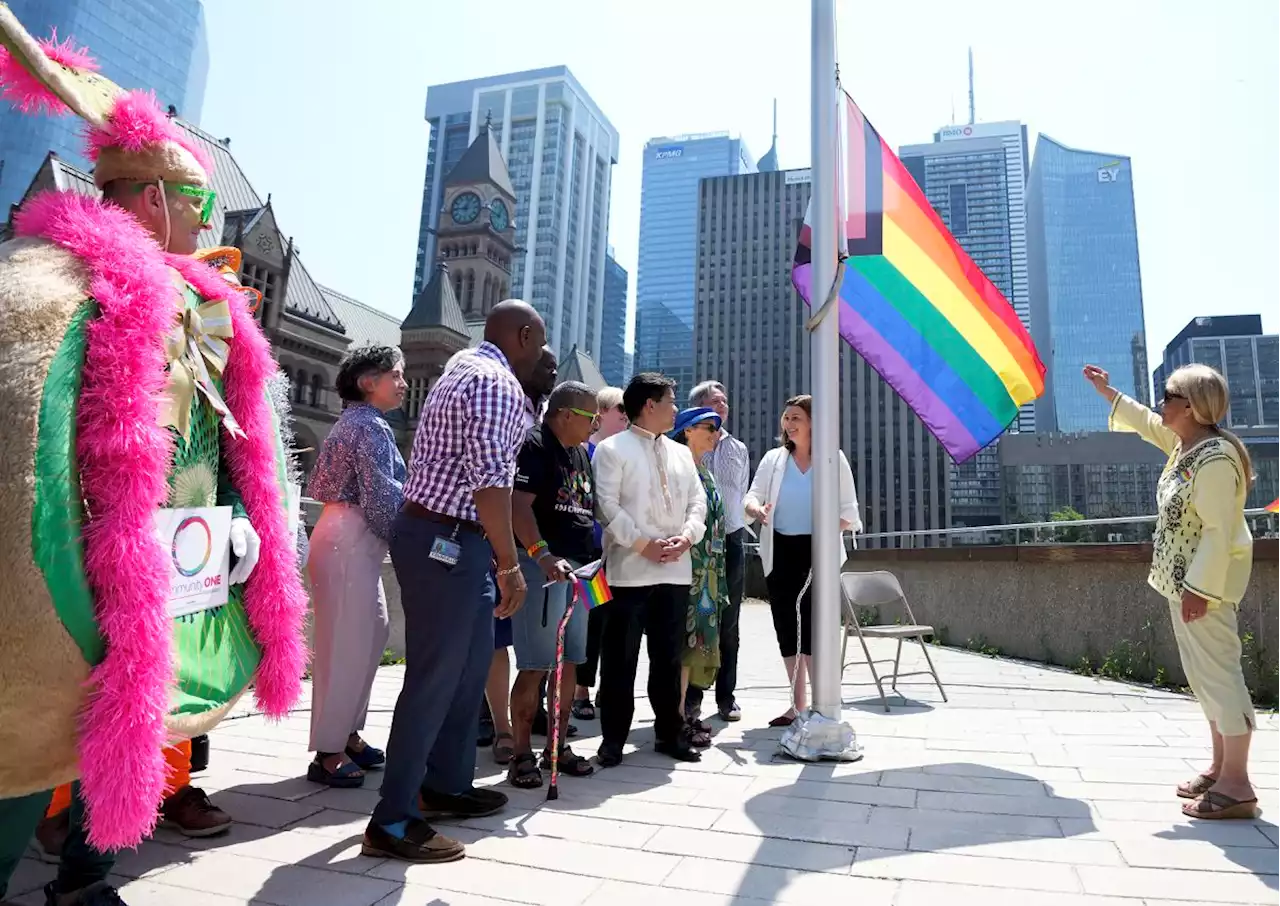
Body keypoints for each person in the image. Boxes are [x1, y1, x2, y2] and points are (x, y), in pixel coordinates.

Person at [0, 19, 307, 904]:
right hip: (75, 563)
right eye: (195, 208)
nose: (204, 225)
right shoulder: (51, 282)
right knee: (33, 736)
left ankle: (88, 880)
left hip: (173, 565)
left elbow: (223, 438)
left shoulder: (201, 303)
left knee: (128, 728)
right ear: (149, 202)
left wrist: (244, 530)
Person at [365, 300, 546, 864]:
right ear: (522, 335)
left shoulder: (462, 367)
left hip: (454, 540)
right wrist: (509, 563)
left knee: (469, 670)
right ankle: (393, 818)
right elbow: (491, 485)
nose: (540, 356)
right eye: (539, 345)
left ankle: (445, 783)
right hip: (447, 539)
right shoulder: (495, 382)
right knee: (436, 677)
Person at [1086, 363, 1258, 820]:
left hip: (1207, 590)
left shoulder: (1216, 457)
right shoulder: (1185, 448)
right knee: (1204, 678)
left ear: (1189, 405)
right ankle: (1221, 767)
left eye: (1168, 395)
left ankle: (1238, 784)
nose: (1161, 402)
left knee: (1220, 676)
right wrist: (1108, 394)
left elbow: (1220, 532)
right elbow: (1145, 422)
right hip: (1181, 586)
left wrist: (1199, 590)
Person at [305, 346, 408, 787]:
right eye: (396, 376)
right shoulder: (369, 427)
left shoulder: (358, 423)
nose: (403, 384)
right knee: (349, 646)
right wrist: (413, 542)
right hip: (351, 537)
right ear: (370, 382)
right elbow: (383, 498)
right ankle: (328, 751)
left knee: (371, 635)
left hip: (347, 535)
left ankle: (347, 734)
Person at [593, 373, 707, 766]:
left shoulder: (679, 453)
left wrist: (687, 537)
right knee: (619, 661)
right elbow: (606, 506)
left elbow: (699, 502)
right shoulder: (611, 450)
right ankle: (612, 741)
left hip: (676, 571)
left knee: (668, 660)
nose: (675, 408)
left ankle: (668, 734)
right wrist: (644, 544)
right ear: (649, 405)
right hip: (628, 572)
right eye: (670, 401)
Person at [744, 395, 861, 727]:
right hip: (781, 549)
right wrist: (757, 510)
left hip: (818, 551)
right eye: (786, 417)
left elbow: (849, 511)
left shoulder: (832, 458)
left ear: (813, 423)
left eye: (796, 417)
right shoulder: (774, 459)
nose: (789, 423)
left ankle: (822, 704)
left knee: (813, 626)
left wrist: (826, 538)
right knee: (786, 625)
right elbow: (752, 497)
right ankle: (796, 705)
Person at [506, 381, 600, 788]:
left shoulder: (581, 454)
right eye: (590, 416)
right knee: (535, 665)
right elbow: (516, 505)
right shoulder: (534, 445)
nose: (595, 425)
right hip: (542, 568)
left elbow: (585, 510)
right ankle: (521, 753)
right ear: (565, 414)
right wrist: (540, 553)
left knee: (571, 662)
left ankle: (557, 747)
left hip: (582, 571)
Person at [483, 345, 558, 765]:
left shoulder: (545, 413)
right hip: (496, 535)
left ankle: (530, 715)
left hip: (531, 544)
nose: (551, 372)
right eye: (546, 365)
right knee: (496, 639)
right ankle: (502, 729)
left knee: (532, 643)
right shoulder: (498, 395)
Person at [683, 381, 750, 723]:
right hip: (696, 544)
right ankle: (690, 698)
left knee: (730, 622)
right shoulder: (687, 444)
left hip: (733, 541)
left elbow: (741, 495)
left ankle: (727, 697)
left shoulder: (738, 448)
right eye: (714, 402)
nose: (723, 407)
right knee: (697, 619)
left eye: (725, 402)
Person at [669, 407, 729, 749]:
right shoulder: (679, 469)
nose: (715, 434)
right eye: (709, 427)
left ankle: (686, 714)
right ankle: (676, 718)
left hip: (707, 575)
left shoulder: (705, 471)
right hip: (685, 570)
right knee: (684, 646)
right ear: (687, 430)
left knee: (697, 647)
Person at [572, 385, 629, 720]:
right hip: (591, 554)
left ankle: (608, 690)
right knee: (590, 623)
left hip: (619, 552)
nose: (625, 414)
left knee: (614, 625)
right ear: (600, 413)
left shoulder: (623, 454)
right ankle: (581, 690)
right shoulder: (583, 453)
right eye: (619, 408)